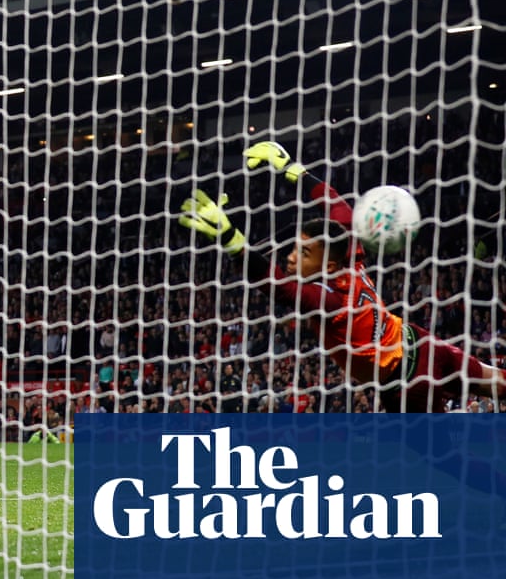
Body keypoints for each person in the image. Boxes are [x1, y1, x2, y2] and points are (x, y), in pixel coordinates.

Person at [179, 141, 506, 412]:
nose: (291, 257)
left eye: (304, 253)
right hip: (421, 343)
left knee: (445, 460)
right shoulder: (350, 257)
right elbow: (338, 207)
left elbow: (281, 288)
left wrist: (232, 240)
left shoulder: (331, 302)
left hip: (406, 385)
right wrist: (292, 169)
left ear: (329, 265)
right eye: (296, 248)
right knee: (497, 382)